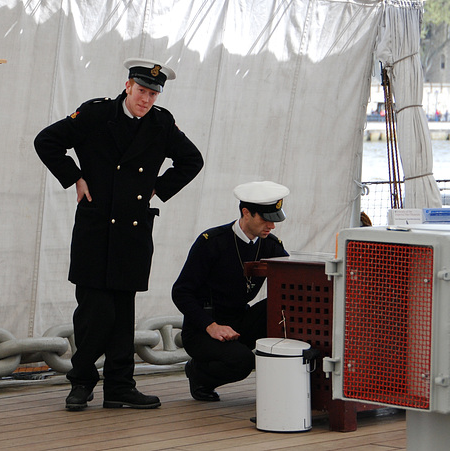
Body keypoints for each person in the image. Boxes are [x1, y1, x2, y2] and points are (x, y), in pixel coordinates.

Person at [34, 58, 204, 411]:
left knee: (123, 314)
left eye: (153, 94)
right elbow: (46, 141)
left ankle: (120, 386)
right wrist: (74, 177)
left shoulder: (161, 123)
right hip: (96, 228)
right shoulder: (96, 115)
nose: (146, 100)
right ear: (128, 86)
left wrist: (158, 189)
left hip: (134, 230)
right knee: (94, 313)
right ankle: (81, 383)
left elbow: (192, 160)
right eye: (142, 91)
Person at [171, 181, 289, 402]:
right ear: (246, 213)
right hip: (204, 326)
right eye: (266, 219)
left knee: (283, 306)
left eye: (275, 220)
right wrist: (211, 326)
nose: (271, 227)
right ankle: (198, 374)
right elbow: (181, 292)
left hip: (239, 318)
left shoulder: (270, 245)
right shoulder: (212, 242)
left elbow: (291, 280)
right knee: (242, 362)